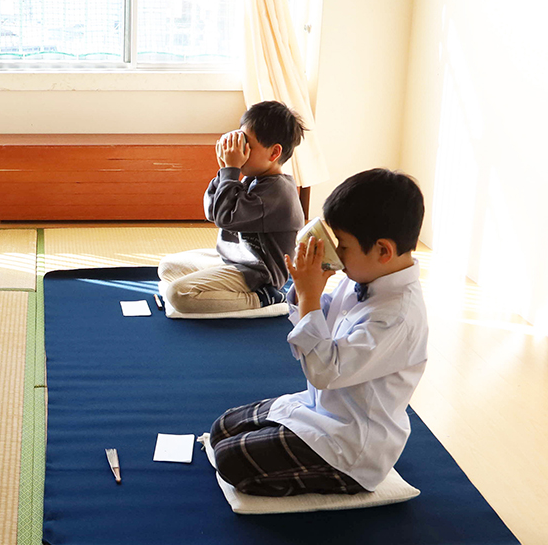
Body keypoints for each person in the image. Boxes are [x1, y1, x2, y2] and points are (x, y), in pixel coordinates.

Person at [209, 169, 428, 496]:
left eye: (343, 248)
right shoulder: (367, 276)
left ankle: (338, 480)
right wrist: (307, 289)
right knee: (221, 429)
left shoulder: (398, 316)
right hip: (319, 408)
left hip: (349, 442)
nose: (336, 258)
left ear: (383, 250)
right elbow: (324, 315)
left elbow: (324, 371)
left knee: (230, 460)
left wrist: (310, 298)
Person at [158, 101, 306, 314]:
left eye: (248, 145)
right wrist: (225, 170)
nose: (240, 150)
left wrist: (231, 169)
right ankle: (226, 291)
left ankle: (266, 298)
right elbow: (212, 211)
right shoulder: (254, 178)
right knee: (167, 266)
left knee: (178, 294)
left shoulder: (278, 193)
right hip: (232, 260)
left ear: (274, 153)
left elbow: (224, 217)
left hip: (258, 273)